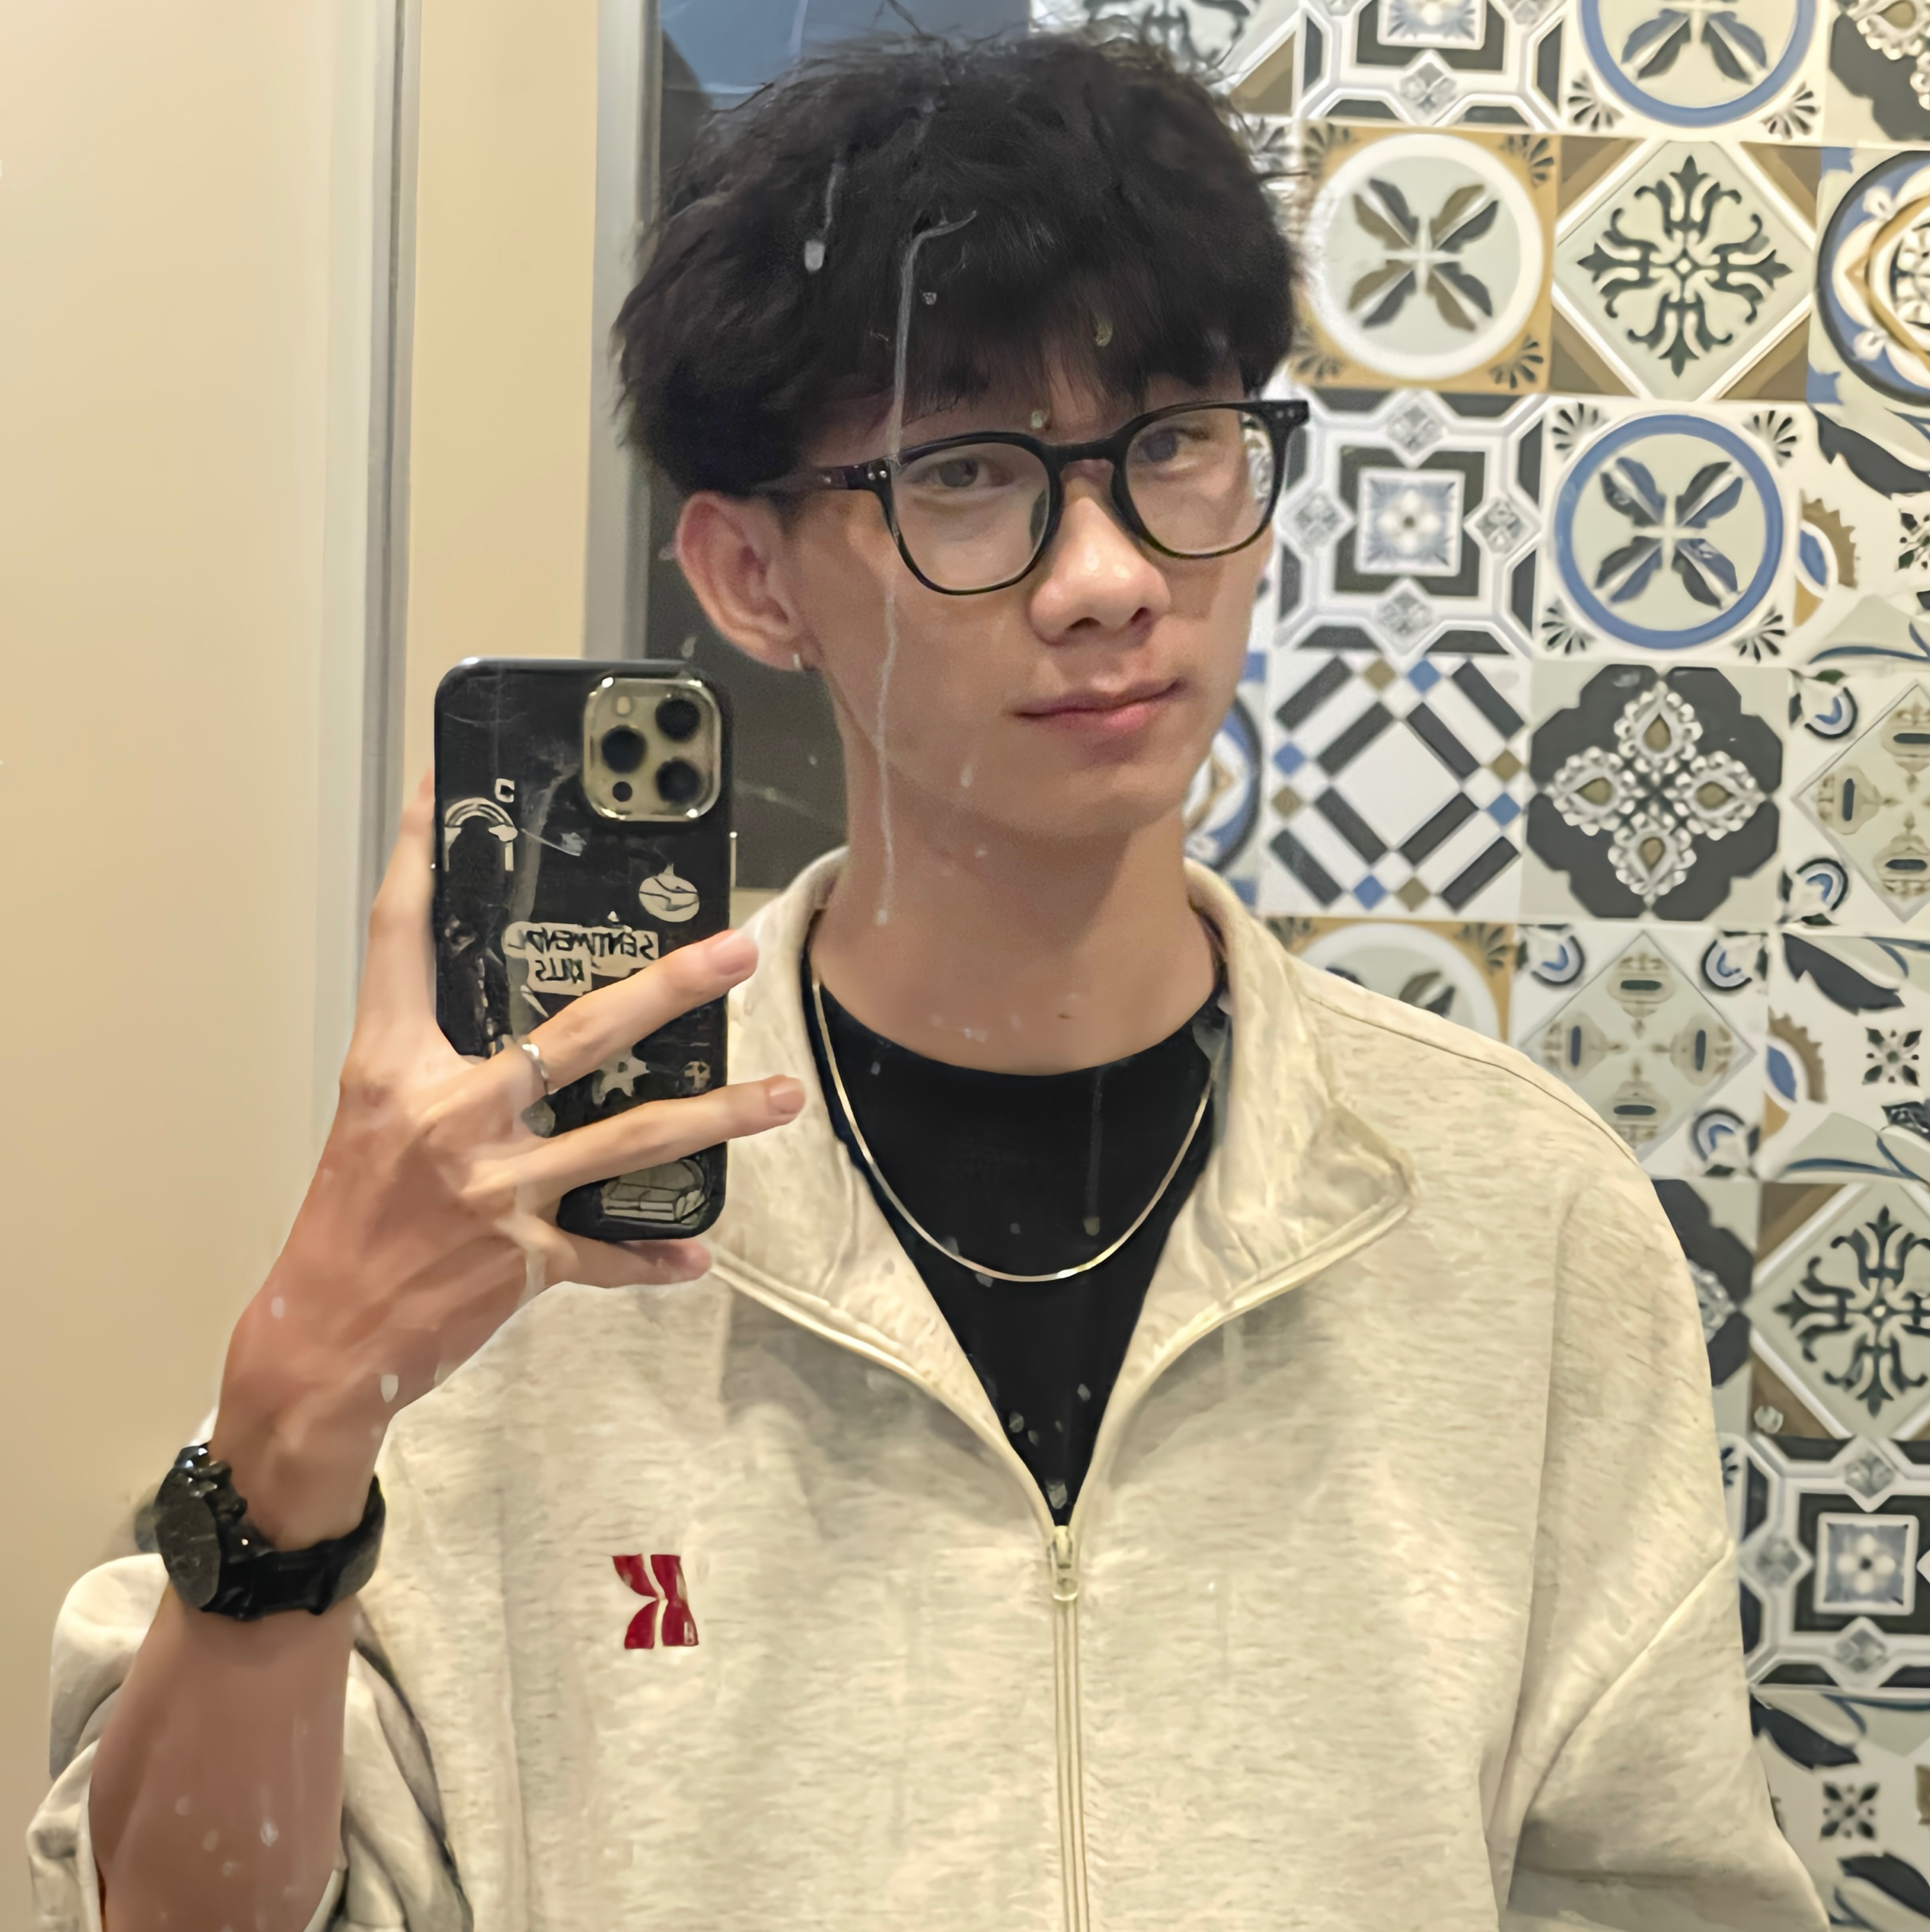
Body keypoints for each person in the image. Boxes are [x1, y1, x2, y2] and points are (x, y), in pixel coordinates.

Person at [32, 30, 1823, 1932]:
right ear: (750, 576)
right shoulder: (517, 1230)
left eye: (1173, 442)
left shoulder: (1514, 1216)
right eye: (969, 473)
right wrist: (293, 1429)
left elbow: (1655, 1895)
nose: (1108, 573)